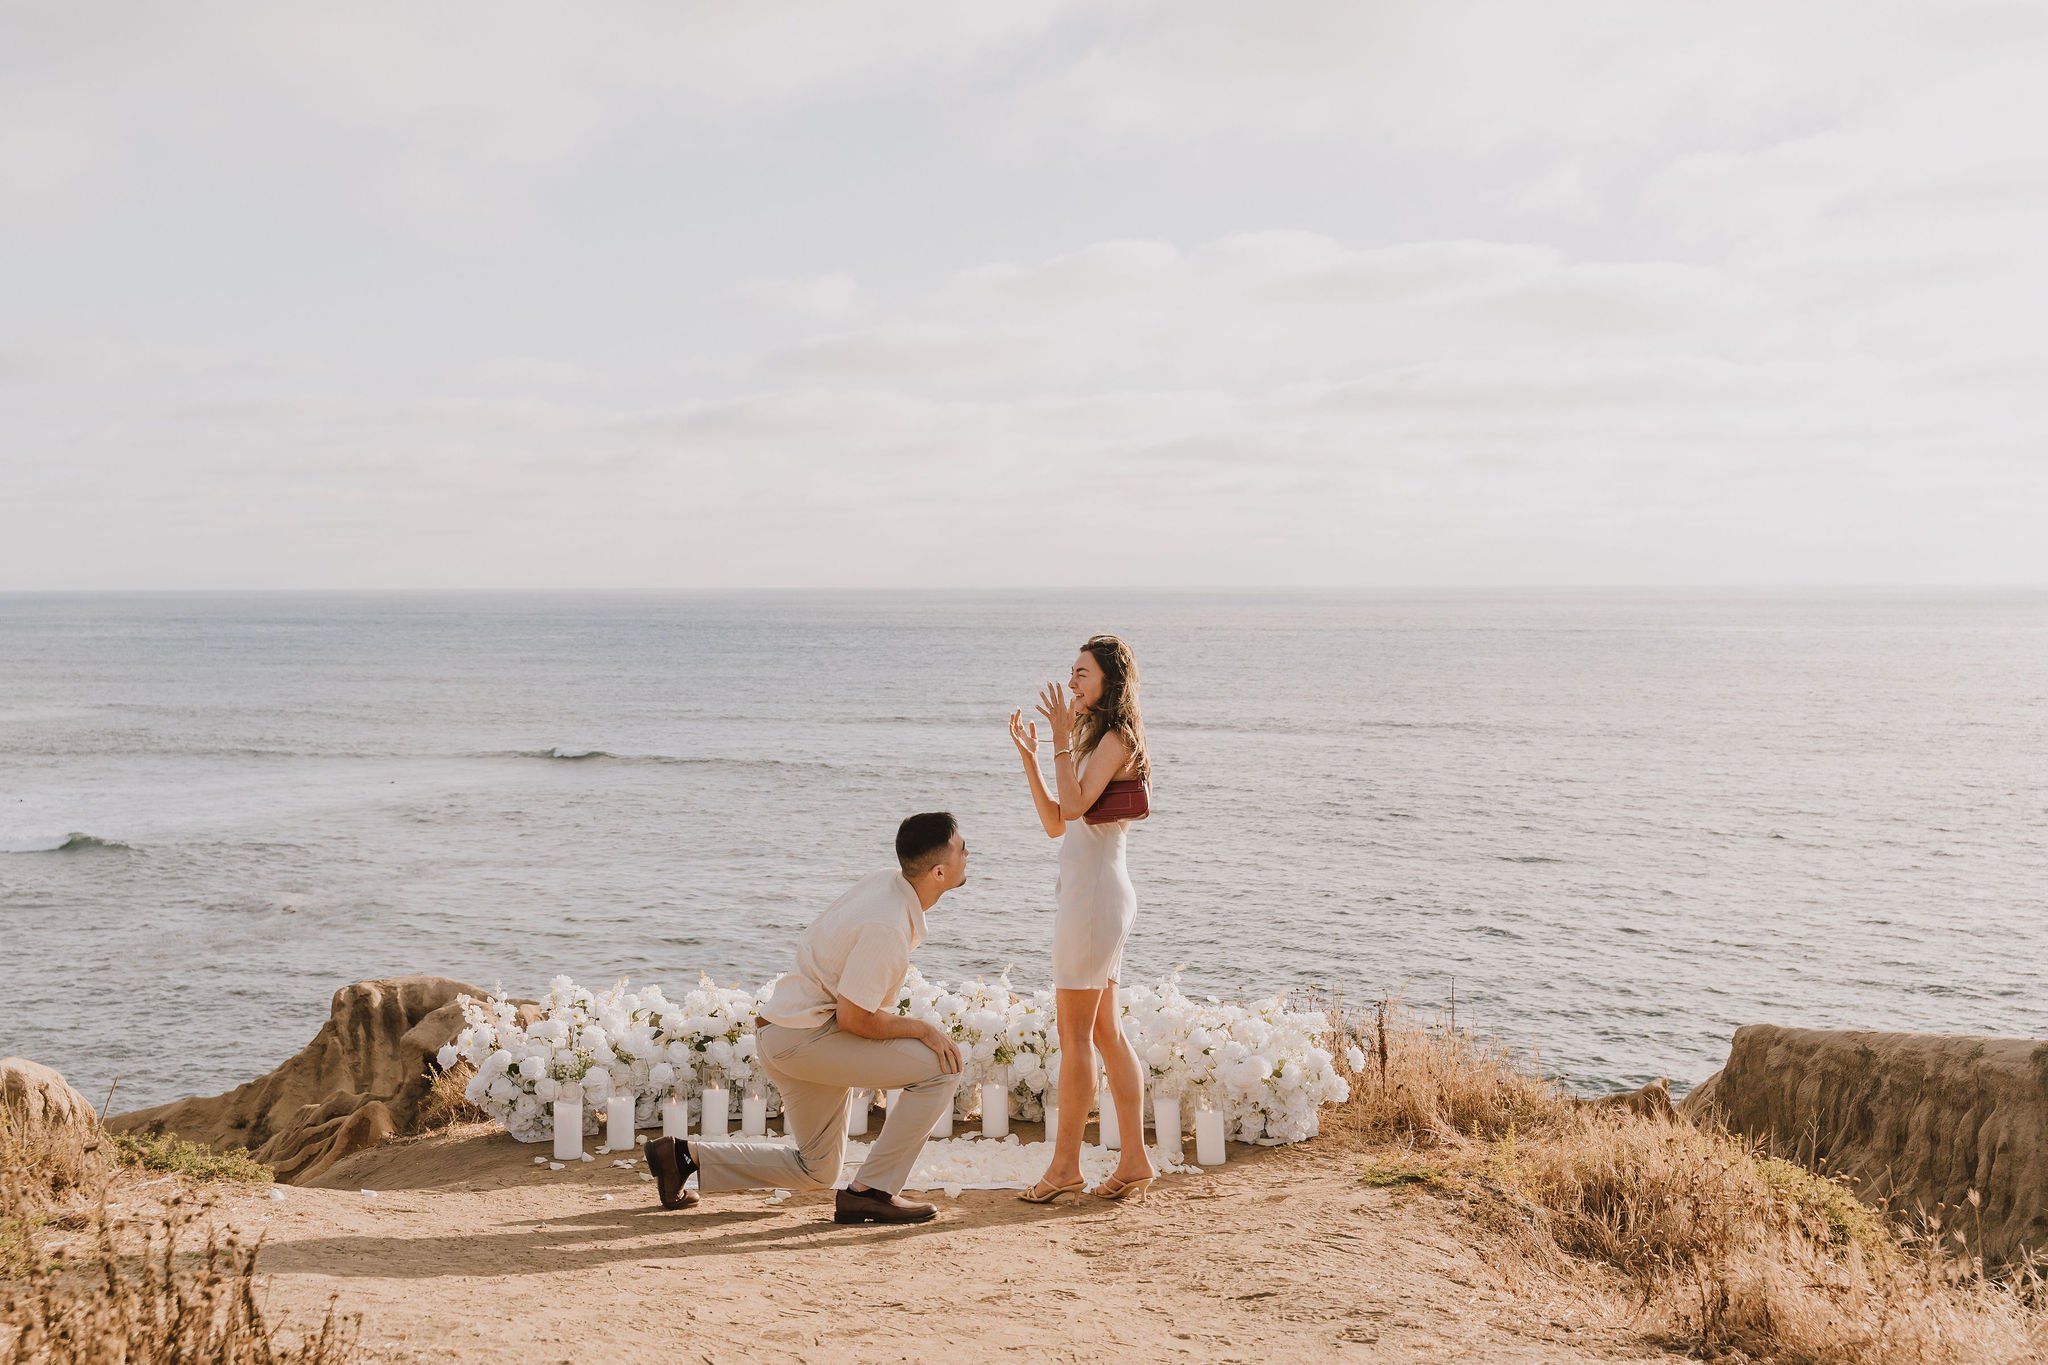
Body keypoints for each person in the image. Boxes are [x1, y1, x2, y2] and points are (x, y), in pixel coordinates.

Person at [645, 813, 968, 1224]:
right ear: (939, 871)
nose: (968, 853)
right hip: (806, 1040)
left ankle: (680, 1157)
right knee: (940, 1069)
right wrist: (923, 1029)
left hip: (786, 1030)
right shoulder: (886, 925)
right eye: (962, 848)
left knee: (817, 1169)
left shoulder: (887, 882)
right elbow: (855, 1018)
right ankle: (873, 1191)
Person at [1008, 634, 1156, 1205]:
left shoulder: (1115, 738)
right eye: (1071, 673)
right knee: (1104, 1033)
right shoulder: (1095, 738)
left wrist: (1060, 741)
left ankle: (1065, 1166)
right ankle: (1135, 1160)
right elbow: (1056, 820)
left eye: (1082, 675)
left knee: (1076, 1037)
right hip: (1092, 894)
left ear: (1109, 683)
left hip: (1094, 900)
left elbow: (1073, 807)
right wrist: (1033, 753)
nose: (1071, 682)